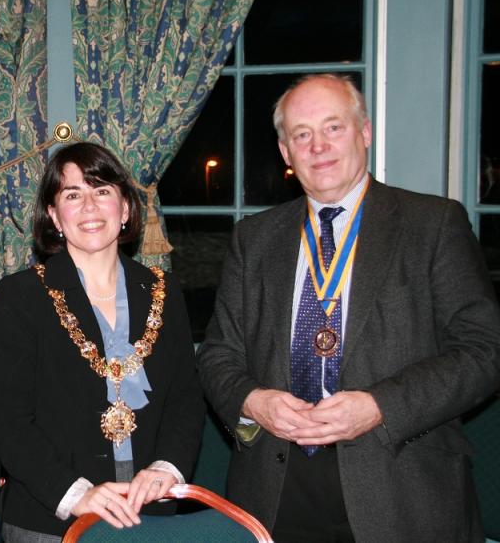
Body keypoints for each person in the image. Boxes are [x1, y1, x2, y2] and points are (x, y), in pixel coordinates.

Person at [198, 73, 500, 542]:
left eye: (333, 127)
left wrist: (380, 406)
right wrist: (253, 402)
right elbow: (219, 354)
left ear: (365, 132)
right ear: (286, 152)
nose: (318, 146)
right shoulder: (254, 238)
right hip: (275, 492)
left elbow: (484, 352)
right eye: (302, 134)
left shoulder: (433, 224)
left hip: (402, 487)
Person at [0, 142, 205, 541]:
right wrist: (77, 495)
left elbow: (185, 399)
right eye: (72, 195)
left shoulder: (163, 289)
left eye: (102, 191)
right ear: (55, 216)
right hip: (51, 520)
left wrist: (167, 468)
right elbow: (8, 421)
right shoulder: (21, 296)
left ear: (125, 209)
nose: (89, 206)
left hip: (150, 513)